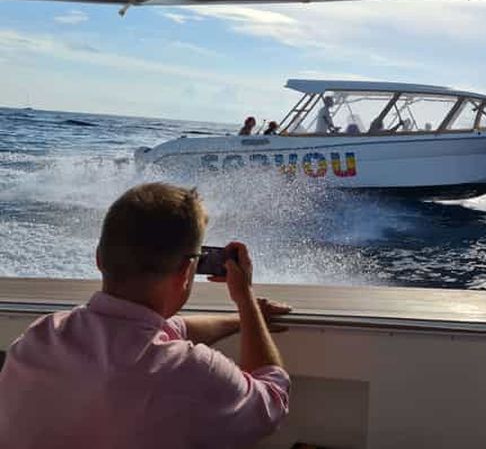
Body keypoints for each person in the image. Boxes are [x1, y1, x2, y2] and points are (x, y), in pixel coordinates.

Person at [0, 183, 291, 449]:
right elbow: (272, 401)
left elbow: (162, 330)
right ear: (186, 271)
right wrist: (245, 300)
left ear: (99, 257)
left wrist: (241, 320)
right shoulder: (193, 372)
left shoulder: (40, 337)